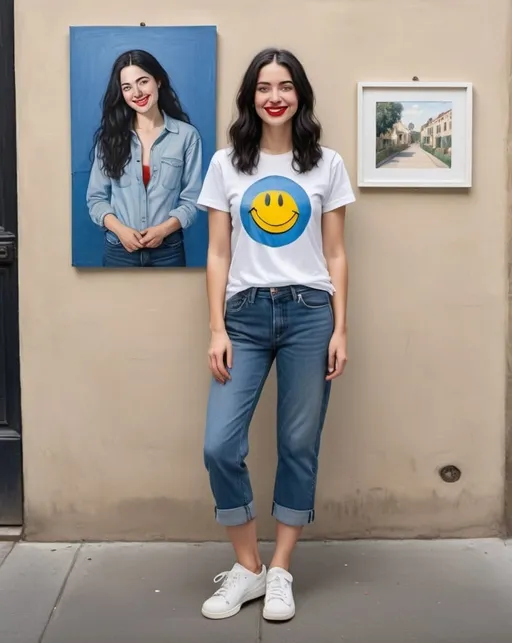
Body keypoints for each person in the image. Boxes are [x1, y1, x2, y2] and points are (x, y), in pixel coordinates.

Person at [196, 48, 355, 621]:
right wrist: (216, 327)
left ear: (300, 95)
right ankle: (249, 569)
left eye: (285, 86)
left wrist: (340, 326)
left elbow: (335, 253)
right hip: (244, 315)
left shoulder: (326, 164)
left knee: (297, 443)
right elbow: (217, 253)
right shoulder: (225, 164)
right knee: (220, 444)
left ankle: (282, 570)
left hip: (311, 312)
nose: (274, 97)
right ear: (250, 97)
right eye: (264, 87)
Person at [86, 49, 203, 267]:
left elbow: (192, 200)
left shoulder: (188, 137)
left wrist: (163, 230)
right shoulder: (109, 138)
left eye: (143, 81)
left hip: (168, 252)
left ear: (158, 81)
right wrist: (120, 231)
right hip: (118, 251)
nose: (137, 92)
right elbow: (96, 199)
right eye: (127, 87)